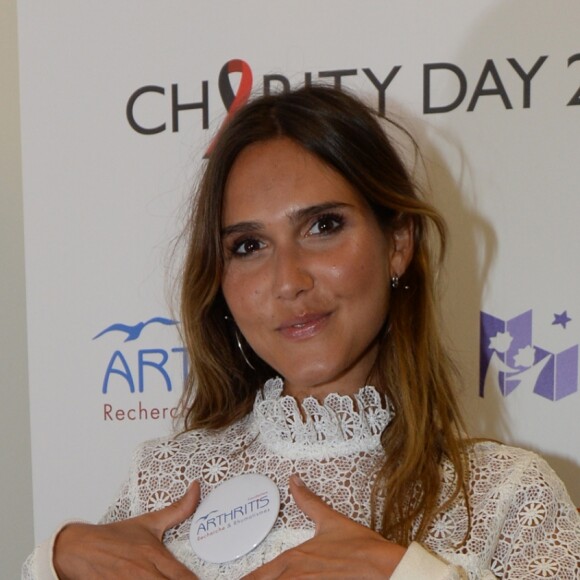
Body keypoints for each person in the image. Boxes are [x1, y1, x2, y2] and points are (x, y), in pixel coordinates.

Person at [23, 86, 580, 579]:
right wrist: (55, 562)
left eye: (323, 226)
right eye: (248, 246)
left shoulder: (506, 494)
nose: (287, 281)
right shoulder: (163, 480)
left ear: (399, 243)